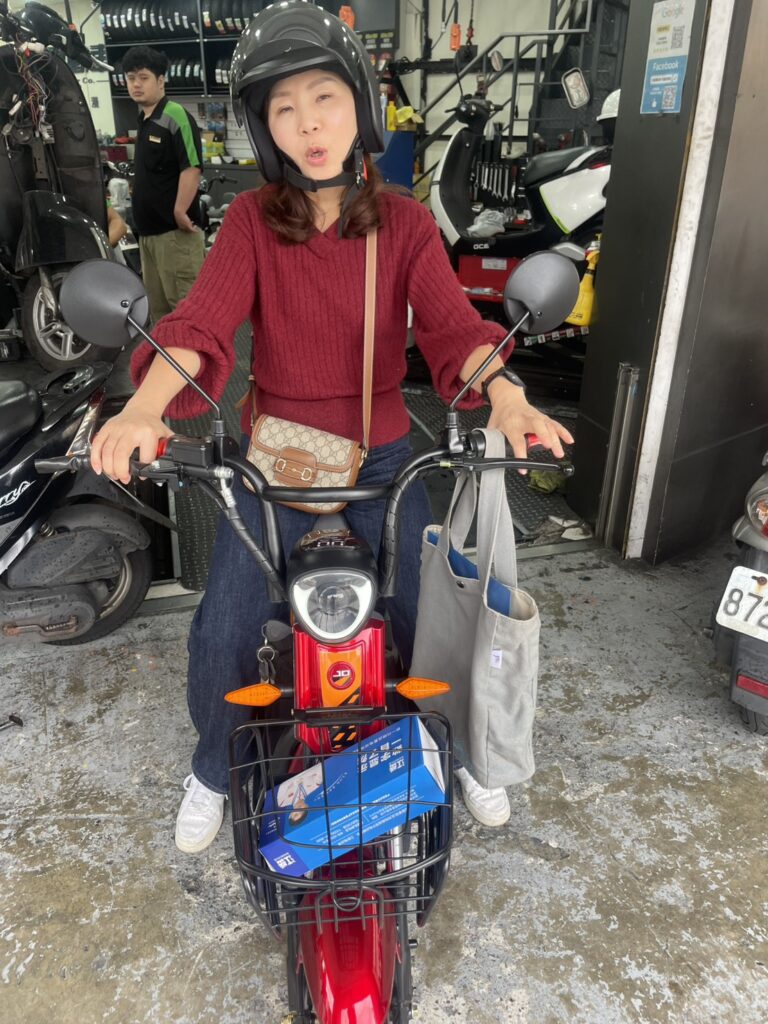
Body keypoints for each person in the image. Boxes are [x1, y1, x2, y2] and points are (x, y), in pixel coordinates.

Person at [90, 3, 574, 850]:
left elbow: (454, 330)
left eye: (325, 99)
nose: (309, 125)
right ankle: (212, 768)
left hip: (384, 458)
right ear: (265, 129)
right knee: (226, 620)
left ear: (360, 106)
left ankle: (454, 745)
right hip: (277, 461)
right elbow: (200, 327)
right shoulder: (249, 222)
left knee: (433, 608)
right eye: (284, 109)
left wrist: (506, 397)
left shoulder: (407, 224)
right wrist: (141, 407)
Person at [122, 45, 205, 322]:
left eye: (143, 77)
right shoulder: (145, 119)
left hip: (174, 236)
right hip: (148, 236)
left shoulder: (174, 115)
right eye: (131, 78)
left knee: (187, 315)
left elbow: (192, 167)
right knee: (160, 316)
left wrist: (180, 210)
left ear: (160, 80)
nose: (136, 84)